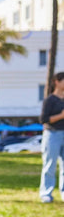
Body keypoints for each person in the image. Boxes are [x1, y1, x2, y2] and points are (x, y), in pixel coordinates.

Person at [39, 71, 64, 203]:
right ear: (57, 82)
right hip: (52, 134)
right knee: (50, 165)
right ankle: (46, 193)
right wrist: (61, 116)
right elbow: (44, 119)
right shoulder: (50, 100)